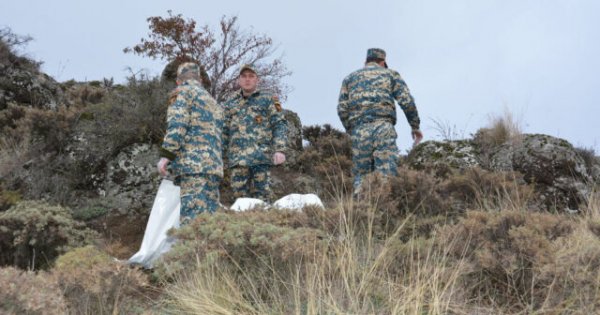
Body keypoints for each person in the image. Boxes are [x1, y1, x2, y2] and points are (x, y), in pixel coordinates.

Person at [337, 48, 423, 192]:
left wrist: (352, 131)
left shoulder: (349, 79)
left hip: (359, 130)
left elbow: (342, 109)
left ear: (365, 62)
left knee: (361, 176)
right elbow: (406, 101)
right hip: (383, 127)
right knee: (386, 173)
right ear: (383, 62)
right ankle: (386, 209)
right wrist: (415, 126)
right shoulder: (390, 75)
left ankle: (360, 210)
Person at [156, 62, 224, 224]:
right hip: (213, 169)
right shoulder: (212, 101)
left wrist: (166, 156)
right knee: (210, 224)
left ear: (178, 80)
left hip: (193, 168)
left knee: (192, 223)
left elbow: (177, 125)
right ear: (200, 79)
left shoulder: (182, 92)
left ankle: (195, 251)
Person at [222, 64, 288, 202]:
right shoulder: (229, 103)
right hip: (238, 161)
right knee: (239, 204)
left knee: (263, 201)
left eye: (251, 76)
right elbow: (224, 132)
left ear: (257, 80)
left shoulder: (269, 99)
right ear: (239, 80)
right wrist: (219, 158)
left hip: (261, 159)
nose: (247, 80)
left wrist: (280, 150)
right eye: (244, 76)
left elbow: (279, 124)